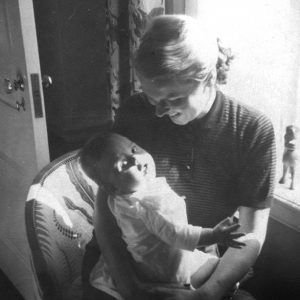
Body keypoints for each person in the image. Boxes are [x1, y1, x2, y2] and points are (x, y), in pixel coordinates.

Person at [82, 14, 276, 300]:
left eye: (173, 99)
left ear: (209, 77)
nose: (158, 111)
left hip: (190, 261)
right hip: (122, 261)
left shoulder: (251, 129)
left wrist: (210, 292)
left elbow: (251, 234)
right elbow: (108, 203)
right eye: (151, 97)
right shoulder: (135, 112)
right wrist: (130, 288)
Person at [80, 133, 246, 300]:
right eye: (124, 164)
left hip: (149, 256)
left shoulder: (121, 196)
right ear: (112, 188)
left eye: (134, 149)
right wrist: (214, 235)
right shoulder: (145, 203)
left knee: (209, 261)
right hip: (163, 268)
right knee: (214, 267)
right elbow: (176, 234)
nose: (136, 160)